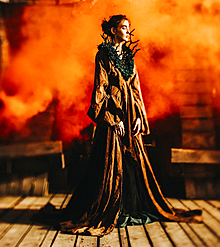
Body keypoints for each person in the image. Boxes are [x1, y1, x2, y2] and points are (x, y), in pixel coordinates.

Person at [33, 14, 202, 236]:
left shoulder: (129, 57)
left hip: (131, 116)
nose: (127, 31)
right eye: (123, 27)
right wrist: (113, 120)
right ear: (113, 30)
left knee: (135, 163)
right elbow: (100, 88)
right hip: (114, 117)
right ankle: (111, 209)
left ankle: (131, 206)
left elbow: (135, 88)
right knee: (111, 164)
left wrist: (139, 116)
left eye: (128, 28)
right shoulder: (103, 54)